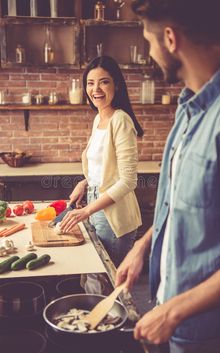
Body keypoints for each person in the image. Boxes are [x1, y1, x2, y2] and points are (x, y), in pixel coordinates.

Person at [115, 0, 220, 352]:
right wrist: (143, 245)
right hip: (170, 313)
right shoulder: (188, 109)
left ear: (171, 39)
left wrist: (175, 312)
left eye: (149, 41)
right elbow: (182, 206)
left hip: (206, 333)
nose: (149, 52)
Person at [60, 55, 143, 267]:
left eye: (104, 81)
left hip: (113, 217)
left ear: (117, 85)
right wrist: (85, 182)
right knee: (94, 276)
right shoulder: (99, 118)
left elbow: (128, 181)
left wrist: (87, 210)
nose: (96, 89)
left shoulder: (121, 120)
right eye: (90, 83)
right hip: (96, 207)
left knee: (107, 283)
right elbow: (103, 168)